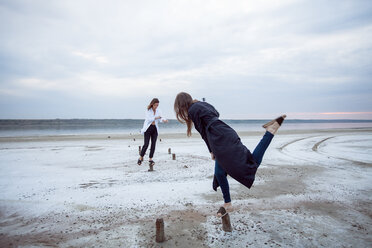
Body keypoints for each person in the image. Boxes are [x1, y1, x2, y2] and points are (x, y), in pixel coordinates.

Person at [174, 92, 286, 215]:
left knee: (251, 164)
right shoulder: (201, 104)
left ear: (182, 104)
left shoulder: (192, 110)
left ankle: (270, 132)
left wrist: (211, 150)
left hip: (219, 139)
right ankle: (227, 204)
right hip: (225, 132)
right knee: (219, 173)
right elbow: (216, 113)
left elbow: (203, 133)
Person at [138, 98, 168, 171]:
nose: (156, 106)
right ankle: (141, 157)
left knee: (153, 144)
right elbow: (149, 119)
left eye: (157, 105)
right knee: (146, 144)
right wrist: (156, 117)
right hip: (148, 128)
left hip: (155, 129)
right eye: (155, 105)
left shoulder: (159, 110)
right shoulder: (148, 110)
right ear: (152, 104)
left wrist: (163, 120)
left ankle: (150, 159)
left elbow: (160, 118)